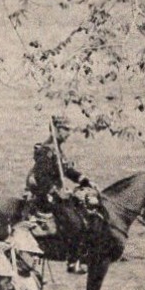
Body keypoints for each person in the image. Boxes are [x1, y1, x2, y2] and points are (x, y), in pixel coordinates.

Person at [25, 116, 96, 273]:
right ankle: (72, 261)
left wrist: (84, 180)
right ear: (56, 129)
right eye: (65, 129)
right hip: (44, 196)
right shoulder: (46, 151)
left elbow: (66, 170)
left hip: (56, 194)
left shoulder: (58, 150)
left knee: (84, 210)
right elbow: (41, 178)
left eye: (69, 130)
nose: (68, 133)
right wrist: (57, 192)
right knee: (74, 222)